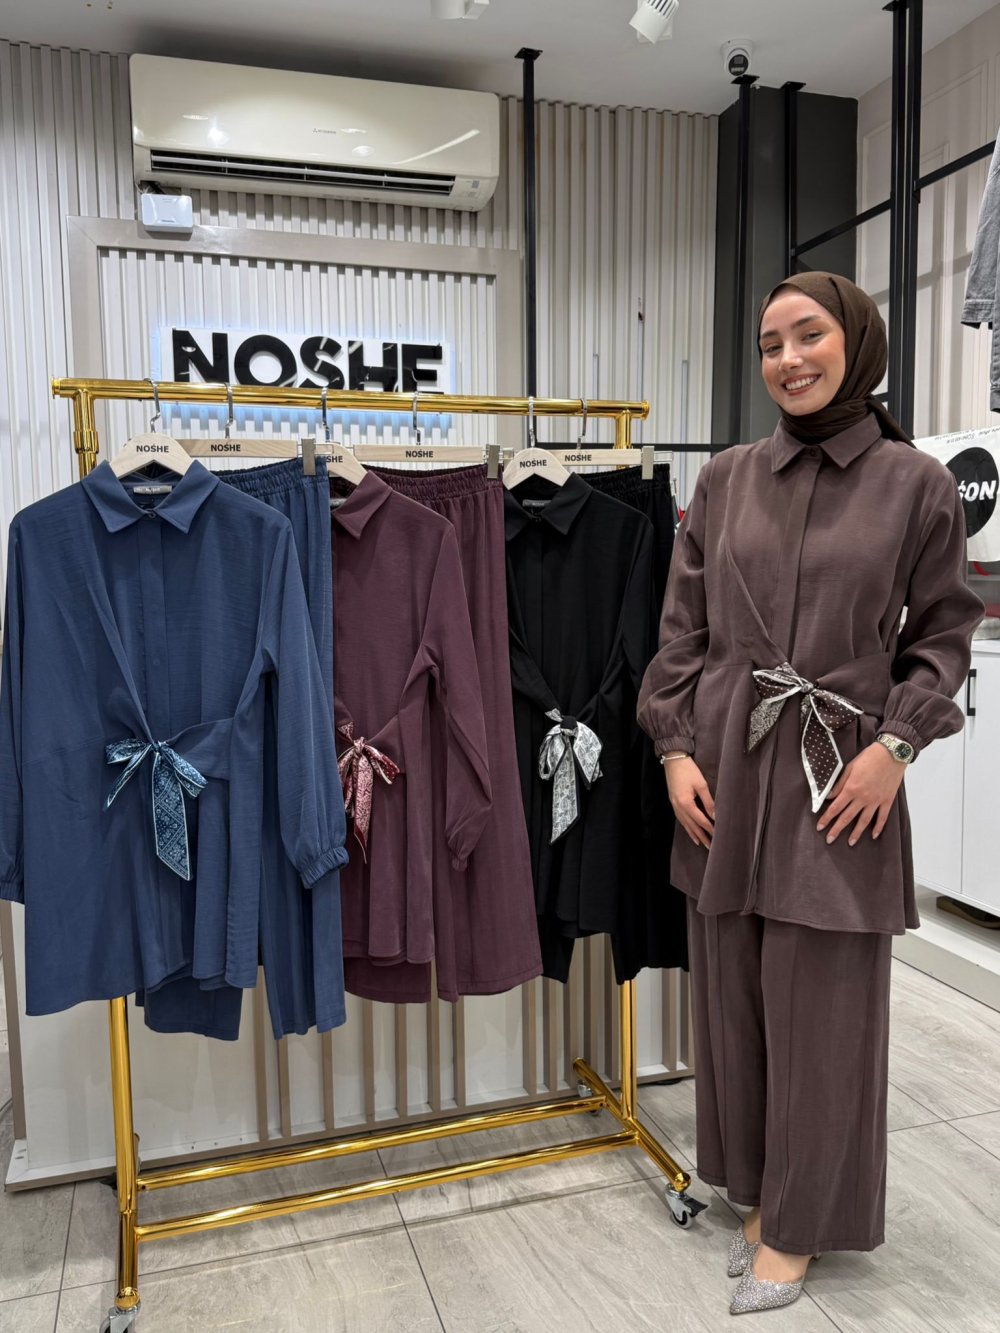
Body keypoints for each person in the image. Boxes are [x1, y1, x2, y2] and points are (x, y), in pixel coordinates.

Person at [638, 272, 983, 1316]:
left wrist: (897, 747)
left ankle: (800, 1225)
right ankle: (757, 1192)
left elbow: (944, 631)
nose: (787, 359)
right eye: (769, 343)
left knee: (823, 1010)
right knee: (734, 999)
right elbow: (682, 628)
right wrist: (674, 749)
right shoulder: (728, 478)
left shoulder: (914, 484)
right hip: (726, 770)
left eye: (808, 334)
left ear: (857, 341)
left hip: (841, 772)